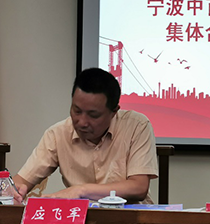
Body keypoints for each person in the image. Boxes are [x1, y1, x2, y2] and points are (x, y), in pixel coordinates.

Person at [11, 68, 158, 203]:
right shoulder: (57, 134)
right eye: (77, 111)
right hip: (80, 219)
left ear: (114, 111)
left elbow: (139, 187)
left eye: (93, 115)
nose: (82, 122)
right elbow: (21, 181)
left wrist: (80, 191)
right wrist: (15, 191)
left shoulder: (137, 126)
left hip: (130, 218)